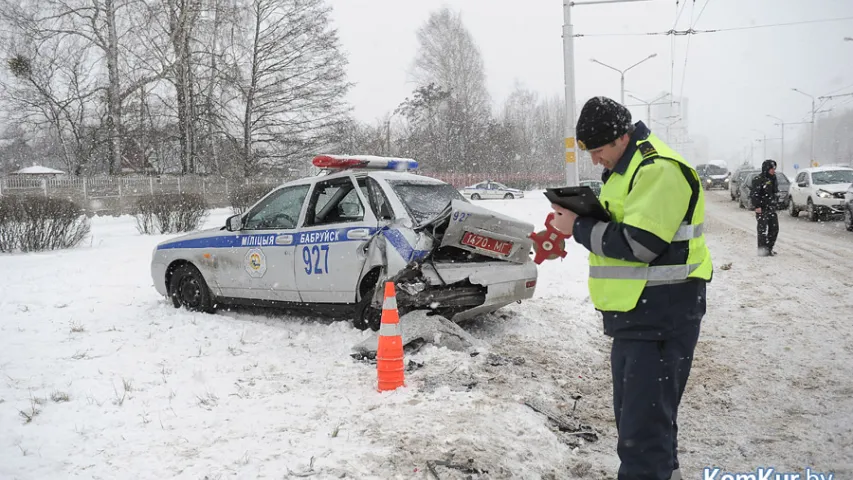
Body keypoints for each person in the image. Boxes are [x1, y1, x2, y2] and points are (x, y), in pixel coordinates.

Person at [549, 96, 713, 480]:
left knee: (642, 436)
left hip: (661, 316)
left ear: (622, 137)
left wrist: (578, 227)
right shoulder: (627, 169)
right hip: (637, 317)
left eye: (599, 150)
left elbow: (642, 245)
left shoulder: (658, 169)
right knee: (642, 427)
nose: (595, 160)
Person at [750, 159, 779, 256]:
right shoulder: (758, 180)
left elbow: (775, 192)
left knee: (774, 228)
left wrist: (775, 201)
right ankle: (762, 250)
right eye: (772, 169)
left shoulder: (773, 178)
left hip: (771, 207)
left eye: (774, 168)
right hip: (762, 208)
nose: (773, 170)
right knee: (762, 229)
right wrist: (757, 206)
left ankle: (769, 248)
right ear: (767, 169)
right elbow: (754, 194)